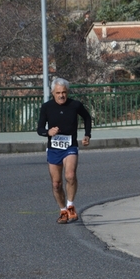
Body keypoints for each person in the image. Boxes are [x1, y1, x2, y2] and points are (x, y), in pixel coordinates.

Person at [37, 77, 92, 224]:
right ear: (53, 93)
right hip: (54, 148)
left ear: (67, 92)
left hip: (70, 146)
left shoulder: (75, 105)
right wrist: (48, 132)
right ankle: (62, 211)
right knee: (56, 183)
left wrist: (87, 135)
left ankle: (71, 206)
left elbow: (87, 118)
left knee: (70, 175)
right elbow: (39, 129)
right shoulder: (47, 107)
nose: (61, 95)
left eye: (64, 92)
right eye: (58, 93)